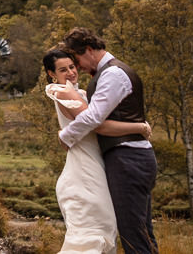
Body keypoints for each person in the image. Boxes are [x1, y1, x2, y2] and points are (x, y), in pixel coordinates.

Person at [57, 28, 159, 254]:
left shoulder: (113, 74)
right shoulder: (108, 73)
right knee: (140, 231)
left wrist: (66, 136)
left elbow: (94, 117)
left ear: (90, 50)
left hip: (128, 159)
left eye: (78, 59)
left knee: (133, 233)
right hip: (129, 157)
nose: (78, 66)